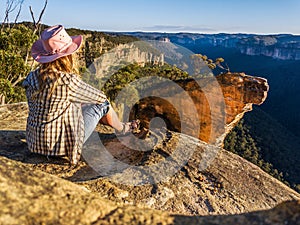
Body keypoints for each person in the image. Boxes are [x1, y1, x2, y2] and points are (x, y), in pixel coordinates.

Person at [22, 25, 139, 165]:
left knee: (83, 104)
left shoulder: (31, 77)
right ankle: (123, 128)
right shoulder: (68, 81)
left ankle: (120, 127)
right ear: (66, 56)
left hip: (34, 144)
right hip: (60, 148)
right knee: (103, 105)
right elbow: (101, 98)